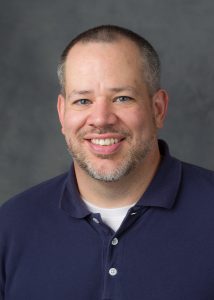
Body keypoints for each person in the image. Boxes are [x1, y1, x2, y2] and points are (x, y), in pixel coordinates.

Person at [0, 25, 214, 300]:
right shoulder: (11, 225)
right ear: (62, 113)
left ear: (158, 109)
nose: (101, 119)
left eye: (122, 98)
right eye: (83, 100)